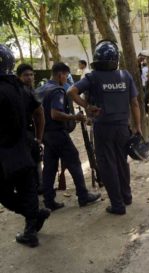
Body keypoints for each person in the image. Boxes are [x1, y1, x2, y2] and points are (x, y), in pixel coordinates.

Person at [68, 40, 142, 215]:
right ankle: (126, 196)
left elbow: (71, 91)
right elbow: (135, 103)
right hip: (123, 128)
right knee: (122, 162)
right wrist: (137, 126)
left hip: (103, 129)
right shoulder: (125, 76)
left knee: (107, 165)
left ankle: (117, 205)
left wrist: (87, 106)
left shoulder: (92, 77)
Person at [0, 44, 50, 247]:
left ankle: (33, 221)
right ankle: (32, 225)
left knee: (5, 195)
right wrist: (38, 139)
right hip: (26, 149)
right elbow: (39, 113)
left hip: (4, 155)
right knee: (28, 191)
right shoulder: (22, 88)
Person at [35, 63, 101, 211]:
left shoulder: (41, 89)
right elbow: (55, 114)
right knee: (74, 161)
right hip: (57, 133)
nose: (66, 79)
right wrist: (75, 117)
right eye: (66, 75)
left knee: (50, 167)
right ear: (60, 75)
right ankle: (83, 196)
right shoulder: (57, 91)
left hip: (45, 134)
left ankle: (49, 200)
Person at [16, 64, 45, 194]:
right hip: (19, 136)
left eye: (31, 74)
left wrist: (39, 138)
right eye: (25, 75)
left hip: (30, 135)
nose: (29, 77)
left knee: (36, 162)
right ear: (19, 77)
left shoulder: (33, 92)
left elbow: (40, 115)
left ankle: (39, 186)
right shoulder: (16, 92)